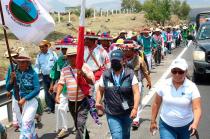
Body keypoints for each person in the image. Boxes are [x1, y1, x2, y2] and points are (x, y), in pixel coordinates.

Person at [150, 58, 202, 139]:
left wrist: (195, 123)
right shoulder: (164, 84)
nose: (177, 75)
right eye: (174, 71)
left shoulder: (192, 87)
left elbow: (197, 108)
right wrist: (153, 121)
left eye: (180, 72)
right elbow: (156, 103)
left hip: (186, 126)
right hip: (166, 125)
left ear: (186, 72)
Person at [96, 49, 140, 139]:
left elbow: (136, 93)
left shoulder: (130, 74)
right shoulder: (106, 75)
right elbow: (100, 90)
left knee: (125, 135)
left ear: (123, 61)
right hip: (112, 112)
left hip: (127, 112)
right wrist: (98, 102)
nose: (115, 62)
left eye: (117, 60)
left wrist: (135, 109)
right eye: (113, 61)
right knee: (116, 136)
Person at [56, 47, 95, 139]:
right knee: (78, 125)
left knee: (80, 123)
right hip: (72, 101)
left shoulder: (85, 67)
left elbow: (92, 81)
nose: (72, 58)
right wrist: (57, 95)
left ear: (78, 57)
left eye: (74, 56)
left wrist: (83, 74)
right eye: (69, 56)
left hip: (83, 100)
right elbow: (61, 83)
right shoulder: (65, 70)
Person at [6, 51, 40, 138]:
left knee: (26, 122)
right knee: (24, 123)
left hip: (31, 101)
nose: (21, 64)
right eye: (20, 62)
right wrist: (11, 80)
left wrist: (25, 99)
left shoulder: (33, 74)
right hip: (19, 101)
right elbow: (8, 88)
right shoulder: (14, 73)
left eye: (24, 62)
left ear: (28, 63)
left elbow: (37, 89)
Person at [120, 41, 152, 129]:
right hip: (124, 83)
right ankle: (127, 114)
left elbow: (145, 72)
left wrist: (149, 82)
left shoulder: (139, 59)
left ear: (133, 50)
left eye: (128, 50)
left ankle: (136, 119)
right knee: (124, 100)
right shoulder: (121, 60)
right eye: (124, 50)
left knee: (137, 101)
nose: (126, 52)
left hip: (137, 83)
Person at [49, 36, 75, 138]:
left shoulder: (75, 58)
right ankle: (64, 128)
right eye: (63, 48)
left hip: (75, 87)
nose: (64, 50)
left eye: (66, 48)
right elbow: (55, 72)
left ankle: (79, 124)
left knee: (75, 109)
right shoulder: (59, 60)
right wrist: (52, 85)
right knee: (61, 107)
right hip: (63, 88)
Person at [34, 40, 58, 114]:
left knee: (54, 91)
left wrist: (58, 75)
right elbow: (37, 66)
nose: (41, 48)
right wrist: (35, 75)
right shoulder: (39, 56)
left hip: (53, 76)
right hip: (44, 76)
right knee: (46, 92)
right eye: (40, 47)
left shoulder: (52, 54)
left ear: (47, 46)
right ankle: (50, 107)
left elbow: (57, 63)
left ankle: (55, 106)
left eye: (43, 47)